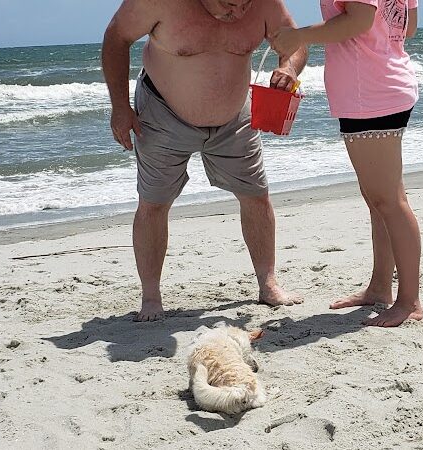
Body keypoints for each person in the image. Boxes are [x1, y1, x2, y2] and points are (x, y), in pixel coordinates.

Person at [102, 0, 308, 321]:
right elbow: (116, 37)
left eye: (245, 5)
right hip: (162, 114)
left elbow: (295, 42)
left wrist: (289, 67)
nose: (238, 13)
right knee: (154, 202)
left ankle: (268, 284)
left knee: (256, 194)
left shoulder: (264, 3)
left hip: (235, 117)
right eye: (229, 4)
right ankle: (151, 298)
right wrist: (119, 107)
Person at [271, 0, 423, 327]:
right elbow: (406, 27)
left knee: (388, 202)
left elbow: (359, 22)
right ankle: (381, 287)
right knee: (380, 200)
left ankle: (409, 301)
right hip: (382, 85)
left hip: (370, 94)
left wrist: (298, 36)